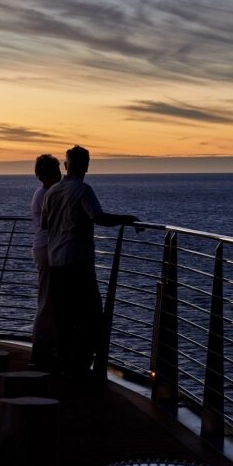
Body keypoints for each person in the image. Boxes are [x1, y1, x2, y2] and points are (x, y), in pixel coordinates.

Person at [41, 145, 138, 378]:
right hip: (78, 261)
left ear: (66, 166)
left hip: (55, 262)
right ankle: (82, 365)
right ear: (86, 166)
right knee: (91, 315)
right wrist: (127, 219)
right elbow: (98, 218)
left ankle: (64, 365)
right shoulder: (83, 191)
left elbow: (44, 224)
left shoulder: (52, 192)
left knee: (63, 316)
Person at [30, 154, 61, 370]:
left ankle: (45, 349)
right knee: (47, 300)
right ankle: (40, 351)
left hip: (43, 249)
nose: (61, 173)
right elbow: (48, 223)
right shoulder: (48, 194)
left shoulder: (41, 193)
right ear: (49, 173)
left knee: (48, 299)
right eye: (57, 169)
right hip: (47, 249)